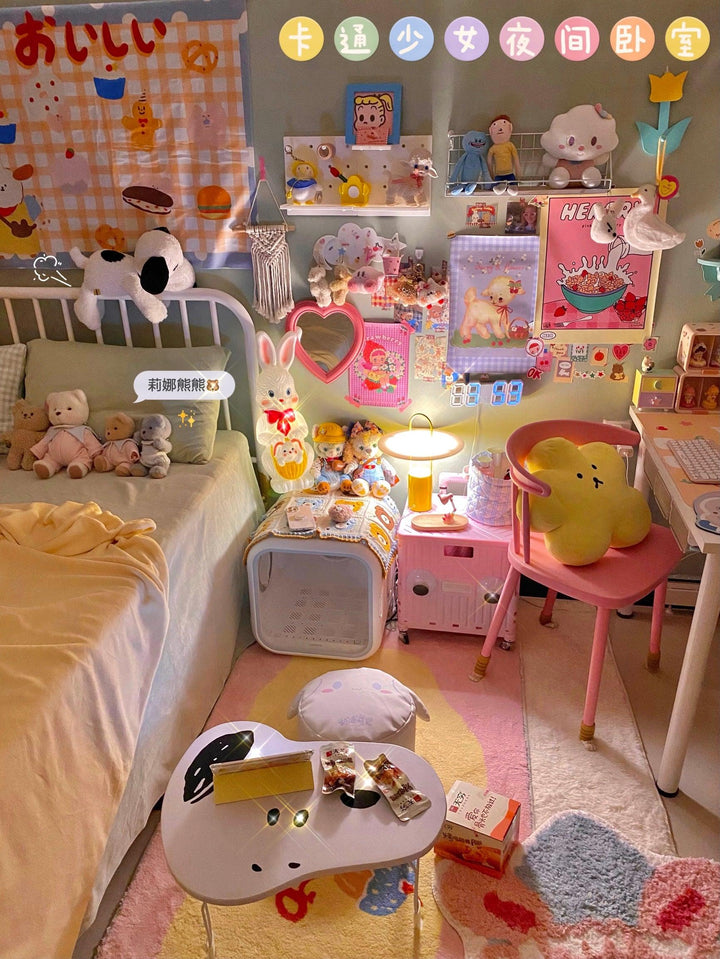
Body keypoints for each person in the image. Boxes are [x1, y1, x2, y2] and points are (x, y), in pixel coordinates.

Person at [488, 115, 521, 189]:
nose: (500, 129)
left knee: (513, 185)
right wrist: (491, 174)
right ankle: (501, 187)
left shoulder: (510, 145)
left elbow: (516, 159)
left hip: (510, 173)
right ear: (490, 131)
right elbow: (489, 162)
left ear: (510, 128)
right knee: (497, 186)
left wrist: (518, 174)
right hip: (498, 174)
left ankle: (507, 187)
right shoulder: (493, 148)